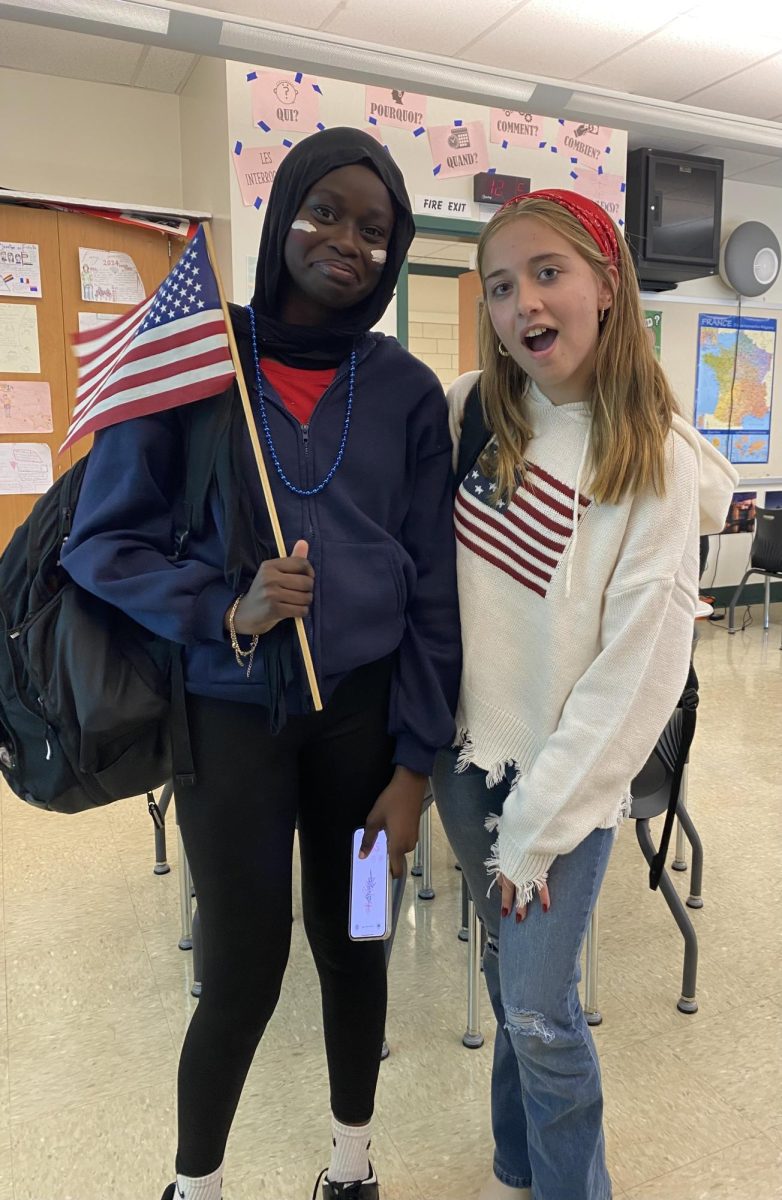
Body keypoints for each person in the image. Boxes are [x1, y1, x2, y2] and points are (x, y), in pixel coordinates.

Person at [61, 128, 460, 1200]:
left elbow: (432, 591)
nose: (346, 242)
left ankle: (352, 1163)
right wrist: (221, 606)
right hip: (230, 719)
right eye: (322, 211)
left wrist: (415, 767)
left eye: (375, 230)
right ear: (280, 212)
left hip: (368, 728)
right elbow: (100, 544)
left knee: (360, 939)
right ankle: (195, 1185)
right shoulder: (198, 361)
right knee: (239, 969)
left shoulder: (409, 395)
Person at [432, 189, 703, 1200]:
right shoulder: (471, 410)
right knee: (510, 980)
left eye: (546, 273)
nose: (521, 304)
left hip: (563, 788)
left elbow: (635, 674)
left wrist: (537, 826)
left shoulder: (653, 462)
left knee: (543, 1009)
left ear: (605, 283)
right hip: (466, 761)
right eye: (499, 286)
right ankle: (513, 1158)